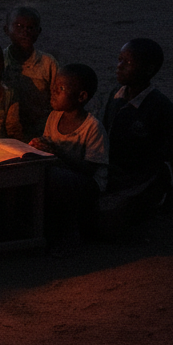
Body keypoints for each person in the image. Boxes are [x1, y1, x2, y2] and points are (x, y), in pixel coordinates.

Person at [102, 38, 173, 221]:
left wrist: (153, 155)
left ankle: (161, 192)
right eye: (120, 59)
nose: (119, 66)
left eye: (127, 62)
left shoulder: (158, 104)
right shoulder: (115, 95)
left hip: (142, 175)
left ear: (149, 69)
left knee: (112, 219)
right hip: (114, 170)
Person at [30, 64, 108, 250]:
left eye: (62, 89)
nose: (54, 92)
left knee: (58, 178)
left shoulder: (92, 127)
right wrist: (39, 145)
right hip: (61, 174)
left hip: (89, 183)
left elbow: (90, 169)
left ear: (81, 97)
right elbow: (49, 145)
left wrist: (58, 153)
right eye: (54, 87)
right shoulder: (54, 117)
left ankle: (71, 233)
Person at [2, 5, 58, 140]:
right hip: (6, 131)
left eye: (31, 27)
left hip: (40, 129)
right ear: (6, 30)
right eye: (19, 26)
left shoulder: (47, 63)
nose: (25, 32)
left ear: (39, 31)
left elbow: (57, 97)